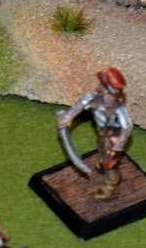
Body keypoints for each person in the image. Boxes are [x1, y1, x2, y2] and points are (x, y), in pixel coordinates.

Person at [56, 67, 133, 202]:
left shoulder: (118, 108)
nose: (99, 87)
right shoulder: (93, 98)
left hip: (114, 137)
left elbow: (127, 126)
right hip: (102, 133)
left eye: (103, 85)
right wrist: (68, 117)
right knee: (102, 150)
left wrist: (118, 146)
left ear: (110, 91)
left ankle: (111, 185)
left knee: (110, 164)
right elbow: (80, 105)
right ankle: (103, 161)